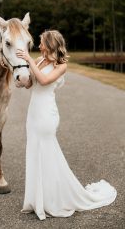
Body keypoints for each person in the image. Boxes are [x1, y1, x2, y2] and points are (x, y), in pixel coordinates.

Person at [16, 30, 117, 221]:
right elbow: (31, 83)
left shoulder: (61, 66)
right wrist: (21, 78)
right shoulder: (38, 61)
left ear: (51, 43)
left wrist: (28, 59)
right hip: (33, 114)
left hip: (47, 114)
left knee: (47, 153)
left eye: (42, 43)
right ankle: (37, 200)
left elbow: (45, 81)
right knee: (34, 152)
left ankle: (53, 199)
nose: (39, 46)